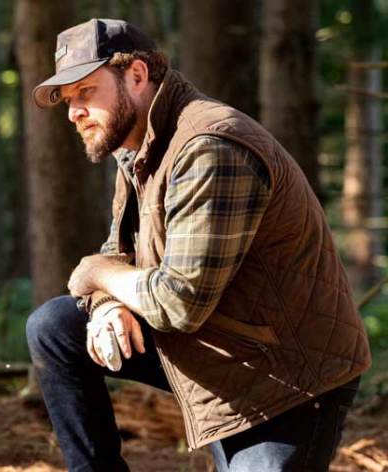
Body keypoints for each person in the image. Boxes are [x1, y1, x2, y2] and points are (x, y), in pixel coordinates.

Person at [25, 19, 371, 472]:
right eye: (68, 100)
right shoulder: (137, 146)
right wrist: (106, 303)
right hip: (216, 345)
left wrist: (94, 273)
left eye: (85, 91)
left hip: (284, 379)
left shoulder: (210, 147)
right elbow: (119, 252)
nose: (74, 112)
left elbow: (178, 303)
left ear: (136, 75)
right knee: (55, 327)